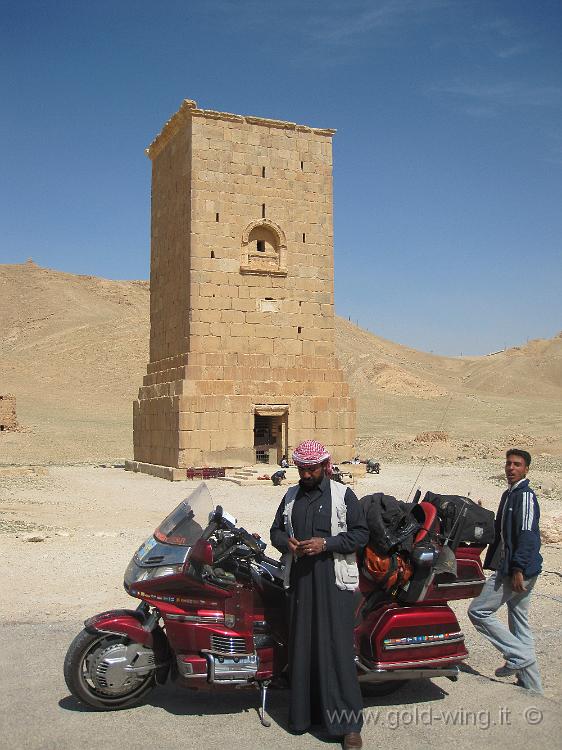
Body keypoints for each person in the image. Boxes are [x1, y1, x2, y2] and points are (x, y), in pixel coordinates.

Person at [270, 440, 368, 749]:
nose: (306, 474)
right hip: (300, 581)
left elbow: (360, 534)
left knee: (336, 650)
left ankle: (348, 725)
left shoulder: (343, 495)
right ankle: (304, 717)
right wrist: (288, 543)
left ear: (324, 466)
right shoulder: (290, 496)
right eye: (302, 469)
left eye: (311, 469)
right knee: (303, 647)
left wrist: (325, 544)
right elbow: (275, 531)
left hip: (333, 582)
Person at [468, 449, 543, 693]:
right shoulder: (509, 494)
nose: (511, 468)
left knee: (478, 611)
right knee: (519, 626)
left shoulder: (525, 497)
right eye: (508, 463)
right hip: (515, 568)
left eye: (517, 464)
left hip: (516, 572)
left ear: (526, 469)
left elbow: (529, 536)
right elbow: (501, 531)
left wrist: (518, 569)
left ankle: (517, 655)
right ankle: (533, 688)